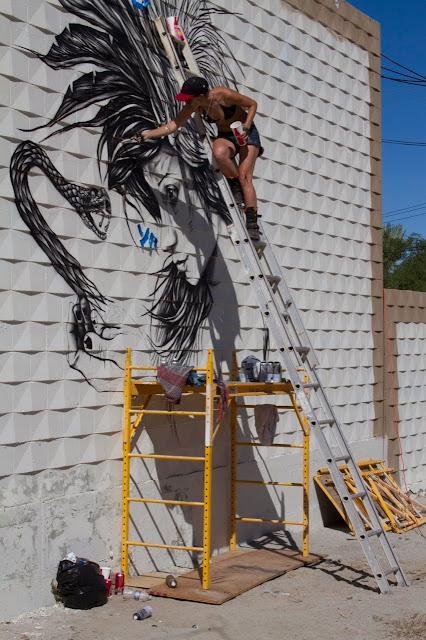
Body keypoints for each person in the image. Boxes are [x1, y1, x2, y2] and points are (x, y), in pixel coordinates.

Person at [134, 76, 263, 236]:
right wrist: (149, 134)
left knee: (245, 177)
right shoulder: (195, 107)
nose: (186, 103)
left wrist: (246, 126)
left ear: (201, 96)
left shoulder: (224, 95)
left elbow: (252, 104)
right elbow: (173, 125)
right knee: (219, 153)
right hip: (226, 135)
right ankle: (234, 182)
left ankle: (252, 222)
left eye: (189, 100)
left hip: (246, 134)